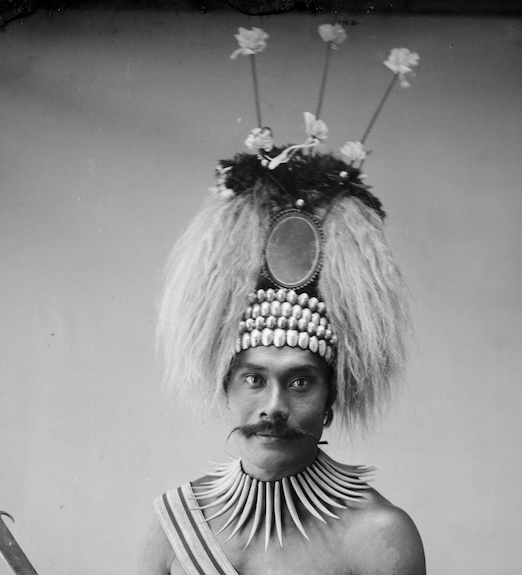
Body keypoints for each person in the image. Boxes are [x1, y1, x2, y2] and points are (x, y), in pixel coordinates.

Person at [138, 25, 426, 575]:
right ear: (224, 384)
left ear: (332, 399)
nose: (273, 406)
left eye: (300, 381)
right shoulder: (173, 524)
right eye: (253, 378)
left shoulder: (378, 536)